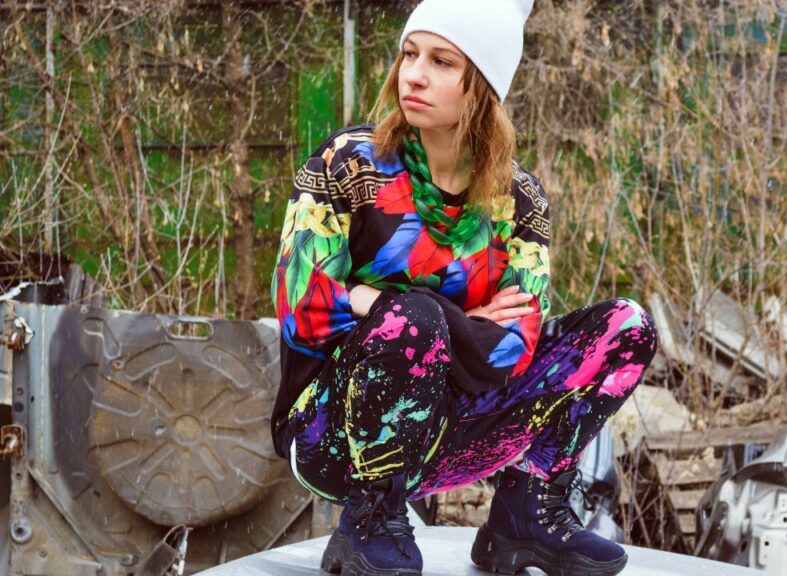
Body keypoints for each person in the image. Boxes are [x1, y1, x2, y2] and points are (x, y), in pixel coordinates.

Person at [269, 0, 658, 574]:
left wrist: (376, 301)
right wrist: (448, 318)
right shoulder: (347, 164)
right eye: (409, 54)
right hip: (332, 438)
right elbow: (302, 309)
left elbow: (513, 348)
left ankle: (528, 510)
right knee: (413, 322)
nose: (413, 74)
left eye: (442, 61)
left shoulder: (519, 200)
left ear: (483, 87)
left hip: (457, 432)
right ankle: (371, 516)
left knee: (626, 328)